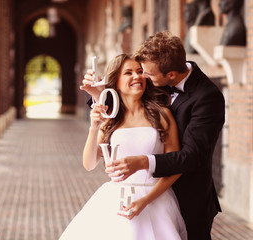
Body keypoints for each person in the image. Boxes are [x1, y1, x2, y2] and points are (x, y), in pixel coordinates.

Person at [82, 31, 225, 240]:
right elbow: (127, 105)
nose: (142, 77)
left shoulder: (206, 97)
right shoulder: (158, 82)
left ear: (171, 75)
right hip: (123, 197)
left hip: (186, 196)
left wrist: (141, 163)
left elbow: (191, 157)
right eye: (135, 72)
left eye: (145, 73)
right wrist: (99, 96)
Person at [59, 54, 187, 240]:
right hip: (116, 200)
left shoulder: (162, 115)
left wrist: (145, 201)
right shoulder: (110, 119)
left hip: (155, 199)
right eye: (128, 73)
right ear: (116, 82)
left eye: (140, 71)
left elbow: (175, 167)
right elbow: (89, 164)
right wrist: (94, 127)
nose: (137, 76)